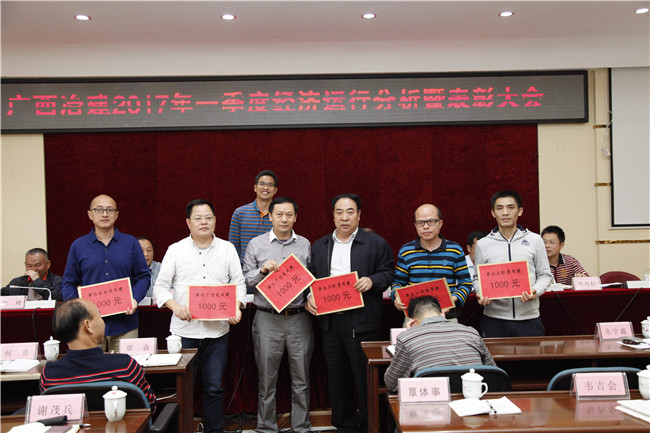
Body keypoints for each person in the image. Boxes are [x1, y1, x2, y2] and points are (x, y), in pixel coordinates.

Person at [153, 198, 246, 433]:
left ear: (215, 220)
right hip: (184, 332)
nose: (203, 222)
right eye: (198, 218)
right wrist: (175, 306)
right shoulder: (176, 250)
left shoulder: (227, 249)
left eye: (208, 217)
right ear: (188, 222)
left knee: (214, 388)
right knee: (183, 389)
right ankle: (181, 429)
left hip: (217, 332)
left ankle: (213, 430)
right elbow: (160, 287)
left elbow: (239, 283)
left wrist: (236, 306)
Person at [306, 193, 394, 433]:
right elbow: (311, 279)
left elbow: (388, 273)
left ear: (359, 215)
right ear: (333, 216)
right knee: (337, 378)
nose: (344, 217)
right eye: (339, 212)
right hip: (330, 323)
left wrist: (372, 281)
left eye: (350, 212)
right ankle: (343, 424)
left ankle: (369, 425)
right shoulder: (320, 245)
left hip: (362, 322)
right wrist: (309, 297)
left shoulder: (376, 243)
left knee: (365, 378)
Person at [243, 197, 313, 433]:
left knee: (301, 378)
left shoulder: (304, 244)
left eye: (289, 215)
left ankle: (301, 426)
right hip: (267, 318)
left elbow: (311, 279)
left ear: (295, 218)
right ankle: (266, 428)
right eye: (279, 214)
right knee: (266, 379)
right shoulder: (256, 244)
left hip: (298, 317)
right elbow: (245, 280)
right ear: (270, 217)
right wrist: (262, 271)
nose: (284, 219)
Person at [61, 194, 150, 352]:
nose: (104, 214)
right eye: (98, 210)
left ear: (116, 215)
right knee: (92, 367)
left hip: (125, 323)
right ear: (90, 214)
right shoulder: (78, 246)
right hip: (89, 326)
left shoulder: (131, 243)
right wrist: (78, 308)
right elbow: (68, 283)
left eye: (110, 210)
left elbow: (143, 277)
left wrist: (134, 298)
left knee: (126, 366)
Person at [40, 298, 156, 410]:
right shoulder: (125, 366)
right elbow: (149, 406)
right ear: (88, 325)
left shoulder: (49, 375)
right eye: (100, 317)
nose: (102, 322)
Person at [474, 190, 553, 338]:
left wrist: (535, 291)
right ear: (493, 213)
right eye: (500, 208)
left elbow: (545, 275)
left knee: (532, 354)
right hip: (494, 318)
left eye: (510, 207)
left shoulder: (535, 240)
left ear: (520, 211)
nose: (505, 212)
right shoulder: (483, 244)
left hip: (529, 317)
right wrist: (482, 292)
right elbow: (477, 277)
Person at [384, 295, 496, 392]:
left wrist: (410, 334)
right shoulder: (472, 332)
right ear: (442, 313)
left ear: (412, 320)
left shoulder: (407, 338)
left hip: (431, 401)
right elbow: (493, 371)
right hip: (472, 397)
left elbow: (391, 383)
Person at [391, 204, 472, 320]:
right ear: (415, 225)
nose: (425, 226)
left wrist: (451, 299)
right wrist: (397, 296)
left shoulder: (455, 250)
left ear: (440, 223)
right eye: (420, 223)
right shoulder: (406, 251)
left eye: (431, 222)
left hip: (447, 316)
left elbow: (466, 284)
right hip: (415, 317)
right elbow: (397, 283)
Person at [228, 170, 278, 264]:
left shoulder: (280, 215)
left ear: (275, 190)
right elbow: (233, 247)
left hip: (273, 268)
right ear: (255, 188)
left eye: (270, 185)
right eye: (262, 184)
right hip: (245, 269)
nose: (265, 187)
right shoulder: (240, 213)